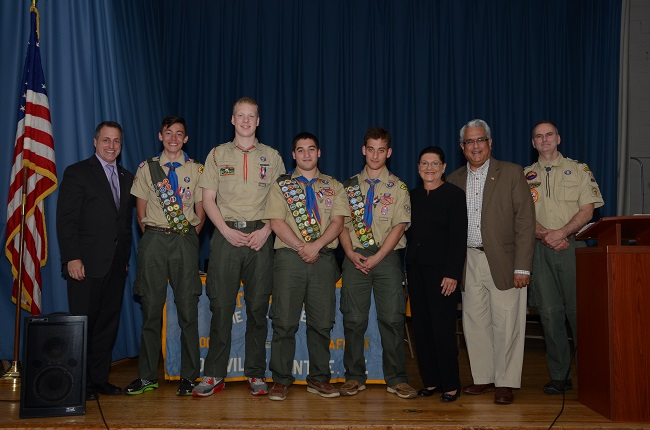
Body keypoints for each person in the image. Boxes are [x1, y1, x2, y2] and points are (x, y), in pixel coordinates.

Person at [195, 97, 286, 397]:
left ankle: (256, 372)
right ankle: (213, 374)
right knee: (221, 306)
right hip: (226, 237)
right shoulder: (218, 154)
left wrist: (266, 231)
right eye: (240, 116)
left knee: (258, 309)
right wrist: (224, 230)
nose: (246, 121)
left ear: (258, 120)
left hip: (261, 237)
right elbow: (208, 199)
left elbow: (282, 202)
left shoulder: (272, 157)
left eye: (251, 116)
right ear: (232, 119)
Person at [447, 119, 535, 405]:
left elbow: (524, 221)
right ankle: (483, 377)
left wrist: (522, 266)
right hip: (468, 259)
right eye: (469, 142)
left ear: (490, 142)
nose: (475, 146)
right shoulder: (454, 179)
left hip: (505, 260)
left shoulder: (510, 172)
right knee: (475, 322)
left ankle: (505, 382)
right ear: (462, 147)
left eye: (480, 140)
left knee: (507, 322)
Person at [264, 132, 348, 401]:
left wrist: (315, 246)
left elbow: (337, 223)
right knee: (284, 322)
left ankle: (319, 378)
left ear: (319, 153)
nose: (307, 154)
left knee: (321, 323)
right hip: (290, 259)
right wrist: (302, 247)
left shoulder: (334, 186)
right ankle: (280, 379)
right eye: (301, 150)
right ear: (294, 155)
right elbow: (276, 222)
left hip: (323, 259)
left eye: (311, 149)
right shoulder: (281, 185)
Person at [125, 115, 205, 396]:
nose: (173, 138)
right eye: (168, 133)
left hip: (184, 240)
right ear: (160, 136)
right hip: (155, 240)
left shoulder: (196, 170)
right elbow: (140, 212)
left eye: (179, 133)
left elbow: (200, 210)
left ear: (186, 139)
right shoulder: (148, 168)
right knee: (150, 310)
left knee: (187, 310)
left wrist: (188, 239)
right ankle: (147, 376)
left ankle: (190, 375)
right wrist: (156, 235)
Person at [56, 121, 134, 400]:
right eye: (106, 140)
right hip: (84, 266)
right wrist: (71, 258)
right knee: (84, 327)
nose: (111, 146)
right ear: (95, 141)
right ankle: (80, 385)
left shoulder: (127, 177)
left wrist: (123, 259)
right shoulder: (77, 173)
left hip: (115, 266)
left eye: (116, 141)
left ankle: (99, 381)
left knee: (106, 327)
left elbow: (124, 225)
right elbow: (66, 221)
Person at [525, 120, 603, 394]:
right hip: (540, 250)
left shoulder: (579, 170)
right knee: (549, 315)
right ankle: (560, 376)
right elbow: (521, 216)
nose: (544, 140)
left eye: (549, 135)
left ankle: (592, 373)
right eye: (538, 136)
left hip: (572, 248)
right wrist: (546, 234)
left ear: (558, 138)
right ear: (533, 143)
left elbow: (588, 210)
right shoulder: (523, 176)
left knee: (580, 314)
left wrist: (562, 233)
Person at [338, 127, 416, 399]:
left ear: (389, 152)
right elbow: (341, 225)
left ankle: (396, 378)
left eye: (381, 149)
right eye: (370, 149)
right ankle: (354, 376)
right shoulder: (347, 187)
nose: (375, 154)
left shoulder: (399, 187)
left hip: (387, 258)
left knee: (392, 319)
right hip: (356, 256)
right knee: (354, 319)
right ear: (363, 150)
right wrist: (349, 254)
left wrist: (378, 257)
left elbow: (399, 227)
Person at [405, 146, 467, 403]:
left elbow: (458, 238)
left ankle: (451, 384)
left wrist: (452, 273)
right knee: (422, 328)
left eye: (434, 164)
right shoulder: (412, 196)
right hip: (416, 272)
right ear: (418, 168)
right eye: (424, 163)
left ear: (443, 167)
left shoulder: (454, 195)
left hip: (442, 274)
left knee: (442, 329)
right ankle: (431, 381)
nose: (429, 168)